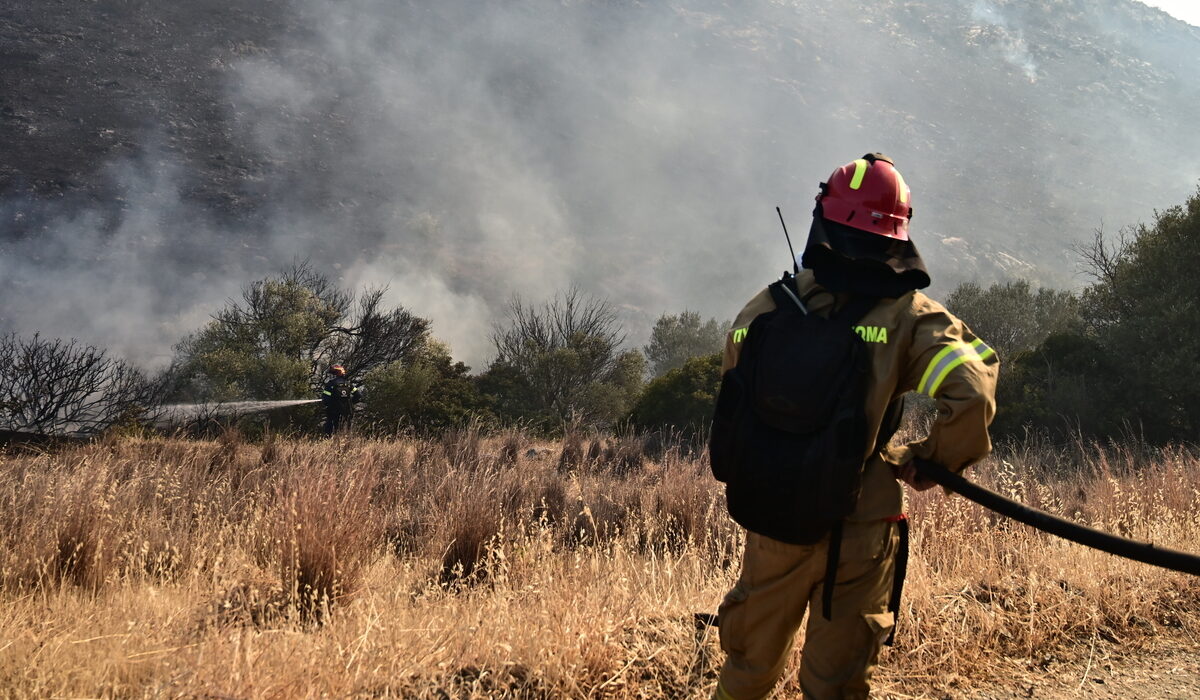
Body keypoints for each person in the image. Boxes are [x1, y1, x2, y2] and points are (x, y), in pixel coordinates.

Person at [711, 153, 999, 700]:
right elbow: (972, 391)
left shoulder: (766, 308)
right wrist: (933, 459)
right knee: (837, 684)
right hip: (861, 525)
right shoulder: (911, 316)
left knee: (746, 670)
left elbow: (733, 400)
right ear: (899, 231)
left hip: (773, 516)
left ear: (823, 218)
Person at [321, 364, 362, 435]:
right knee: (347, 431)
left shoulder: (330, 384)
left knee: (330, 432)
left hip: (334, 413)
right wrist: (350, 403)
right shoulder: (348, 384)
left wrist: (330, 404)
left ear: (335, 374)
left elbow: (325, 399)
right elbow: (358, 395)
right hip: (347, 412)